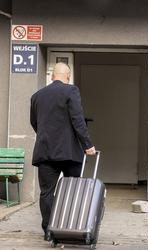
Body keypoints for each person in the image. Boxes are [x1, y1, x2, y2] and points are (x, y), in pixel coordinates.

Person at [30, 62, 96, 240]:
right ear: (68, 76)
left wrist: (46, 139)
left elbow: (35, 123)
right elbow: (78, 120)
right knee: (72, 190)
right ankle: (70, 227)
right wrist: (88, 145)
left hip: (45, 152)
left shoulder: (37, 96)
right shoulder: (71, 91)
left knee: (46, 192)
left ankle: (49, 231)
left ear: (52, 76)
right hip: (69, 152)